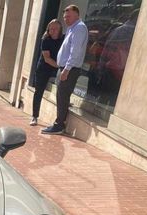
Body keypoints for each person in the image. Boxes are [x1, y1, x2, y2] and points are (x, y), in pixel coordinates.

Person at [42, 4, 88, 135]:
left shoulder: (79, 28)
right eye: (64, 16)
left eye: (68, 16)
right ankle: (60, 122)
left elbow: (75, 52)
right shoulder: (72, 28)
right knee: (61, 96)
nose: (65, 19)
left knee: (62, 96)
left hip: (70, 69)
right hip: (65, 68)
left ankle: (59, 125)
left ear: (77, 15)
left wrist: (66, 70)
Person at [30, 19, 64, 126]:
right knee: (38, 91)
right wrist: (61, 66)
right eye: (51, 29)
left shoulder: (63, 39)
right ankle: (35, 116)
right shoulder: (45, 39)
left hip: (56, 68)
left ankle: (61, 116)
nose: (53, 31)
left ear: (60, 30)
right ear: (48, 29)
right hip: (44, 68)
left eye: (56, 29)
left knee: (62, 89)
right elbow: (47, 59)